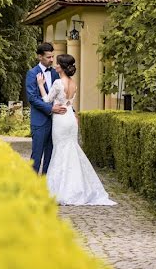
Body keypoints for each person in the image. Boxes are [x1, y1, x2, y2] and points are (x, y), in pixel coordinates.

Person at [36, 54, 116, 206]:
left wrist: (41, 84)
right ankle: (76, 187)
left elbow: (47, 100)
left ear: (62, 67)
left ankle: (60, 190)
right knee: (71, 149)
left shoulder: (58, 83)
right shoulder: (74, 83)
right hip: (70, 119)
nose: (55, 66)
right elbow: (69, 103)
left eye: (58, 64)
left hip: (60, 119)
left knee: (60, 150)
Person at [25, 42, 67, 174]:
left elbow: (60, 95)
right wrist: (50, 109)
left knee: (51, 155)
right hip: (40, 121)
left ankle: (46, 184)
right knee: (36, 156)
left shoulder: (55, 73)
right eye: (49, 57)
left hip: (55, 122)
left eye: (53, 57)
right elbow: (32, 98)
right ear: (39, 57)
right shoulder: (32, 74)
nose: (52, 60)